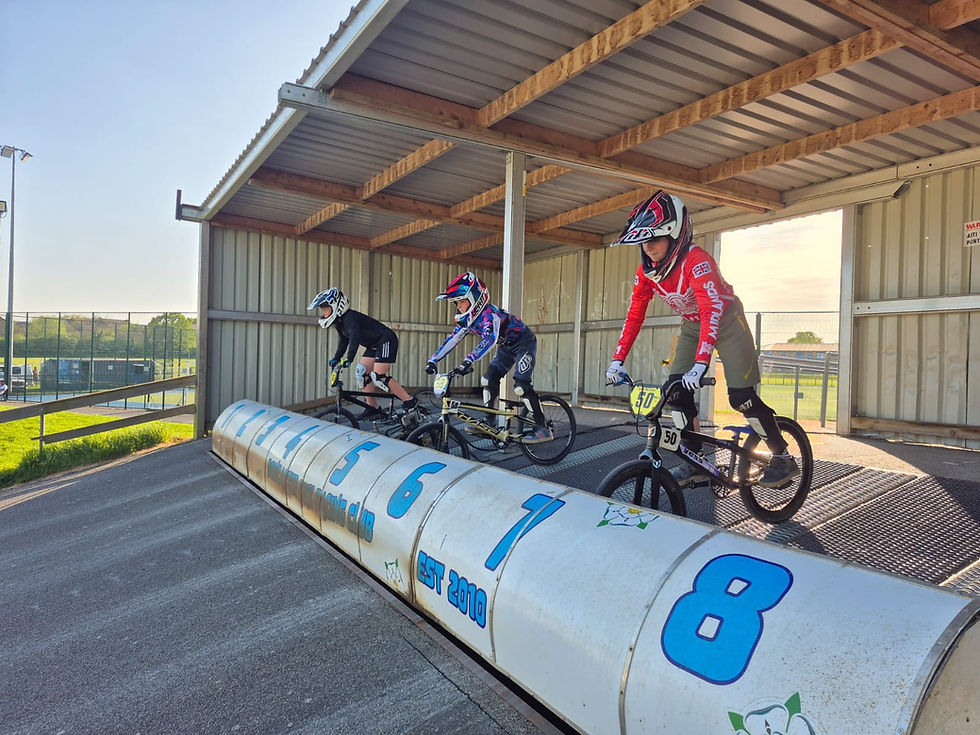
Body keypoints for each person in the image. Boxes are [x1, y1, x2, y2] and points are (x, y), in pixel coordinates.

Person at [604, 190, 799, 489]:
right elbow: (634, 316)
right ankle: (695, 460)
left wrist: (700, 364)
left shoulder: (697, 260)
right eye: (644, 240)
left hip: (727, 321)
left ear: (675, 235)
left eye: (654, 238)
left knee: (741, 397)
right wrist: (617, 360)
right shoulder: (645, 273)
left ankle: (782, 456)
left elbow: (711, 310)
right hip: (694, 325)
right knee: (675, 392)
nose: (648, 246)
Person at [425, 271, 552, 443]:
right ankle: (489, 423)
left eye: (461, 301)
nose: (458, 306)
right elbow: (453, 339)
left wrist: (469, 359)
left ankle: (543, 428)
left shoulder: (489, 315)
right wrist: (433, 360)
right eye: (456, 303)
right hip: (506, 348)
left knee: (521, 386)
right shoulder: (469, 320)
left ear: (475, 299)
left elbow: (490, 339)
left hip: (524, 343)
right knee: (488, 379)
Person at [307, 287, 417, 419]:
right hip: (374, 344)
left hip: (386, 340)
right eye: (323, 310)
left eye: (325, 309)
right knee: (361, 372)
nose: (324, 313)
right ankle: (373, 408)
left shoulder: (350, 317)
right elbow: (344, 340)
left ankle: (409, 400)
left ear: (336, 305)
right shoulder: (339, 322)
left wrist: (349, 358)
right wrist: (337, 357)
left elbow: (355, 337)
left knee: (379, 375)